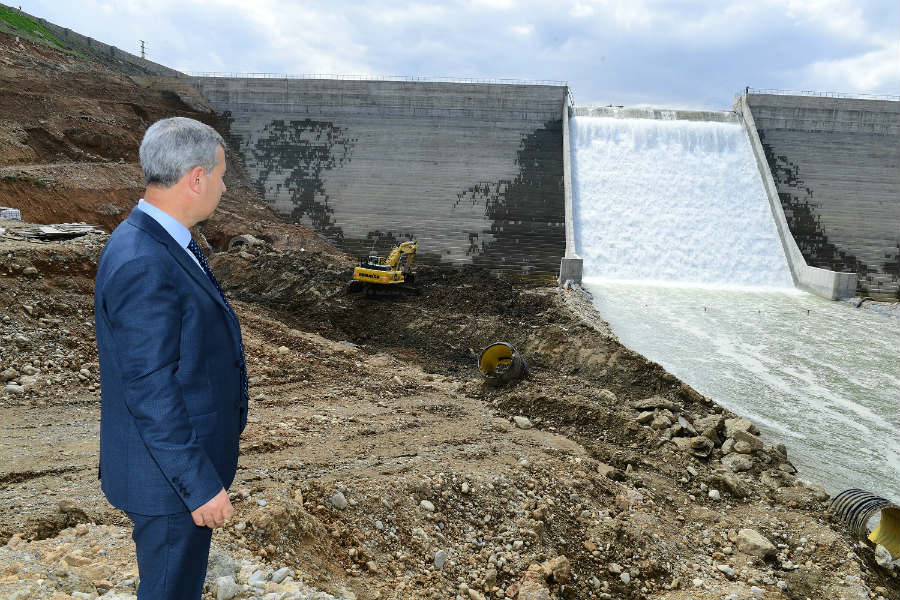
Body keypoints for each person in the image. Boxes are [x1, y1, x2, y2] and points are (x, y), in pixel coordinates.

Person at [94, 117, 249, 599]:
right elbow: (150, 388)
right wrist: (199, 485)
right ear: (196, 178)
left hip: (170, 471)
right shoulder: (145, 258)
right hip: (167, 483)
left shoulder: (163, 239)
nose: (223, 187)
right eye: (221, 176)